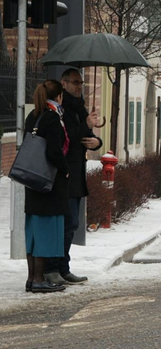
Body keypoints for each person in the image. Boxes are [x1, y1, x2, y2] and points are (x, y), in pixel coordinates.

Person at [43, 69, 102, 286]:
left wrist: (97, 142)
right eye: (75, 83)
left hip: (76, 173)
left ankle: (63, 267)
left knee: (72, 224)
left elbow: (87, 137)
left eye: (81, 83)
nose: (79, 87)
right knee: (65, 223)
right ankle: (55, 267)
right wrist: (85, 125)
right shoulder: (62, 110)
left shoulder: (80, 107)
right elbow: (66, 139)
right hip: (65, 173)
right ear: (63, 83)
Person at [24, 80, 70, 293]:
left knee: (33, 232)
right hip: (48, 182)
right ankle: (40, 279)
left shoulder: (33, 116)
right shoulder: (52, 118)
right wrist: (65, 169)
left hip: (32, 179)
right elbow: (54, 151)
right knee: (44, 232)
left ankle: (32, 278)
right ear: (59, 96)